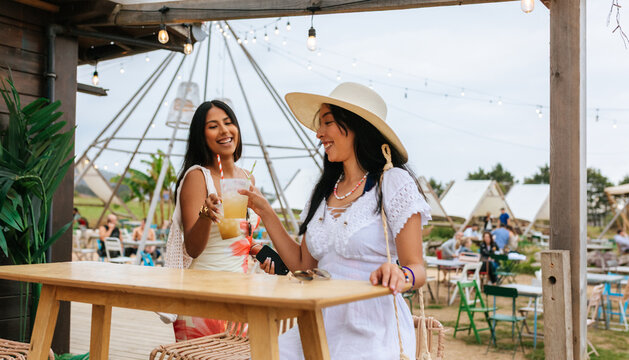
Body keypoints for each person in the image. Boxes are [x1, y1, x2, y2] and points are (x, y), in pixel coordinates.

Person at [239, 82, 430, 359]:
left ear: (356, 127)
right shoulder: (323, 192)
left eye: (327, 123)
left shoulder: (393, 182)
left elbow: (418, 269)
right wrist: (266, 211)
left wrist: (401, 275)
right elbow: (303, 265)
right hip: (318, 320)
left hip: (373, 324)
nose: (318, 134)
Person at [164, 100, 257, 342]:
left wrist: (256, 248)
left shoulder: (247, 177)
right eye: (213, 126)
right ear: (201, 136)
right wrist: (207, 214)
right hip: (204, 295)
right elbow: (193, 249)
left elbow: (234, 238)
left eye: (228, 123)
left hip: (241, 295)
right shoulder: (198, 177)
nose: (225, 131)